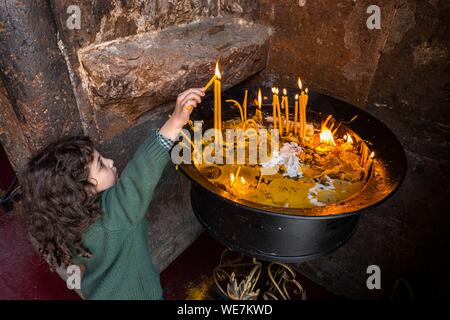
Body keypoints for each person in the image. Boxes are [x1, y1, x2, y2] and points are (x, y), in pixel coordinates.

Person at [20, 88, 205, 299]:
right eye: (101, 164)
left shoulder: (64, 221)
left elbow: (79, 265)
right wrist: (176, 121)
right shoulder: (117, 214)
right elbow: (142, 170)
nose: (110, 162)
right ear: (82, 192)